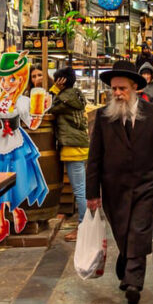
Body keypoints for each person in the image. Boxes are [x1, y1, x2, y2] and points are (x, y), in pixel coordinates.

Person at [86, 61, 153, 304]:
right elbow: (94, 157)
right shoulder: (103, 116)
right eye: (114, 89)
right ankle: (126, 263)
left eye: (122, 89)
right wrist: (92, 193)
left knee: (140, 229)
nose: (117, 93)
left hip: (146, 183)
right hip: (113, 187)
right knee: (122, 232)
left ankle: (134, 283)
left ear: (134, 87)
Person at [0, 52, 51, 244]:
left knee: (17, 180)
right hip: (0, 141)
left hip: (17, 141)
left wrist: (41, 111)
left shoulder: (23, 101)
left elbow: (32, 125)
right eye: (3, 79)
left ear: (21, 79)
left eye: (12, 79)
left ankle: (16, 212)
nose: (7, 83)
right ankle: (1, 222)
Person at [49, 68, 89, 243]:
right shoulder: (74, 96)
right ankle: (86, 224)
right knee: (82, 189)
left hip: (73, 148)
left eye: (56, 80)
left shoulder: (64, 100)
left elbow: (48, 108)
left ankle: (84, 227)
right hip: (79, 146)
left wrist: (54, 90)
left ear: (61, 81)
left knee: (80, 191)